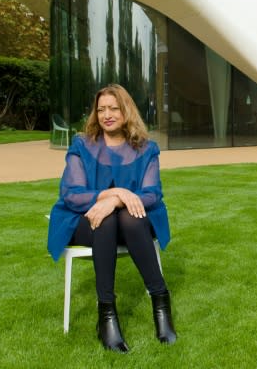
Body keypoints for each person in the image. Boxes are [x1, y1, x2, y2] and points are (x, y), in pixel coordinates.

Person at [47, 84, 176, 353]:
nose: (107, 114)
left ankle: (160, 301)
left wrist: (116, 201)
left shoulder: (146, 149)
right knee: (105, 219)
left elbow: (152, 193)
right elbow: (72, 194)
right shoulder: (82, 145)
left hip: (133, 223)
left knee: (128, 217)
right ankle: (107, 316)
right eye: (101, 109)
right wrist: (113, 193)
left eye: (114, 108)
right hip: (84, 221)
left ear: (126, 111)